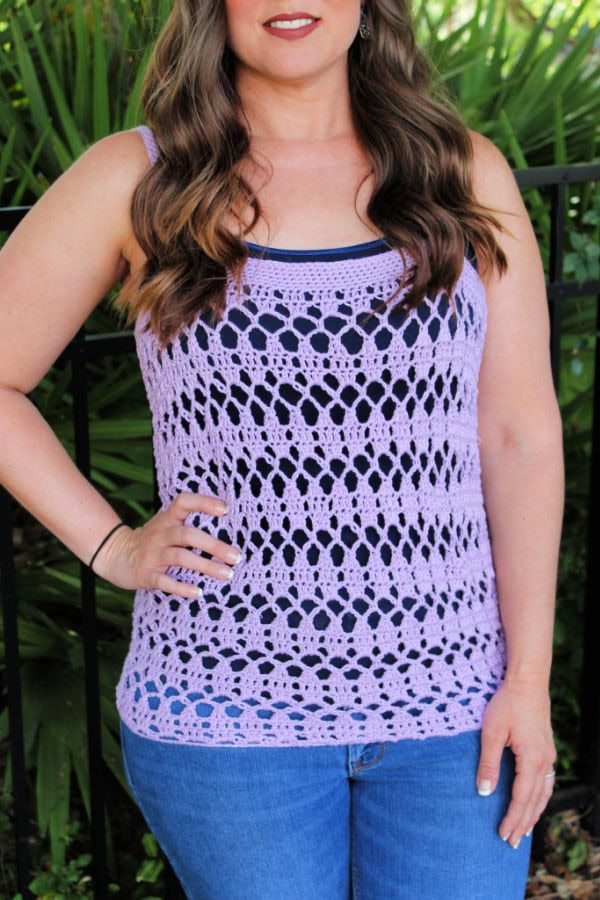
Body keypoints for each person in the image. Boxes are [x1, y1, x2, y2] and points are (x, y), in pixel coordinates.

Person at [0, 1, 564, 897]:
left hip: (455, 714)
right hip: (225, 715)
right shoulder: (138, 178)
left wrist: (526, 680)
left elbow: (520, 436)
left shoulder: (461, 172)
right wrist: (113, 547)